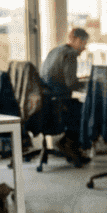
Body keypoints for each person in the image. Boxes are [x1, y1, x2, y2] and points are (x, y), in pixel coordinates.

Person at [37, 26, 91, 166]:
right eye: (84, 44)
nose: (84, 48)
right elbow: (71, 83)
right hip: (59, 102)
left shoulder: (55, 50)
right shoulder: (71, 54)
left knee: (79, 106)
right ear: (78, 40)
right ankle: (68, 144)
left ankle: (69, 145)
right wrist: (88, 83)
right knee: (87, 111)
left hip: (46, 102)